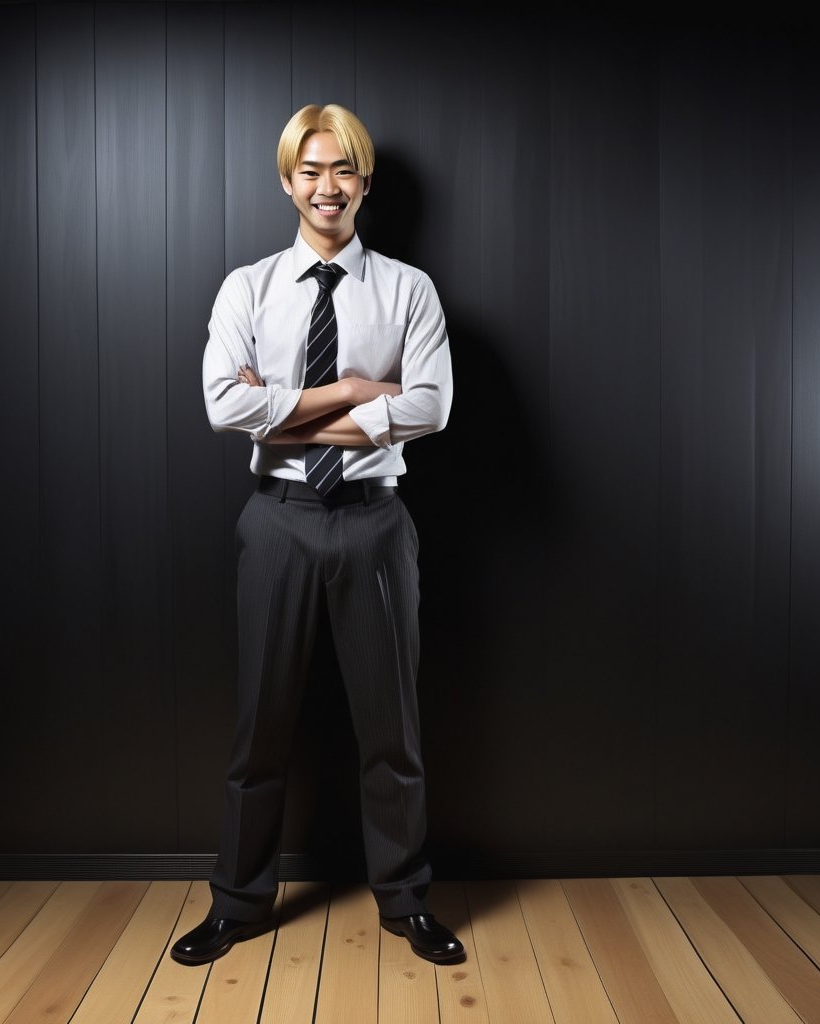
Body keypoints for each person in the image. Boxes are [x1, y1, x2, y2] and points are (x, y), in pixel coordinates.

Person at [169, 103, 463, 968]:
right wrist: (354, 395)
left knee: (392, 729)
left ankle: (407, 901)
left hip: (375, 525)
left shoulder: (409, 290)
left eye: (343, 171)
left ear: (364, 182)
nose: (326, 187)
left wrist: (285, 412)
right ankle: (237, 905)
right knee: (260, 727)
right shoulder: (247, 288)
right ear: (288, 181)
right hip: (278, 525)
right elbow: (226, 406)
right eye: (311, 170)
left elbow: (432, 406)